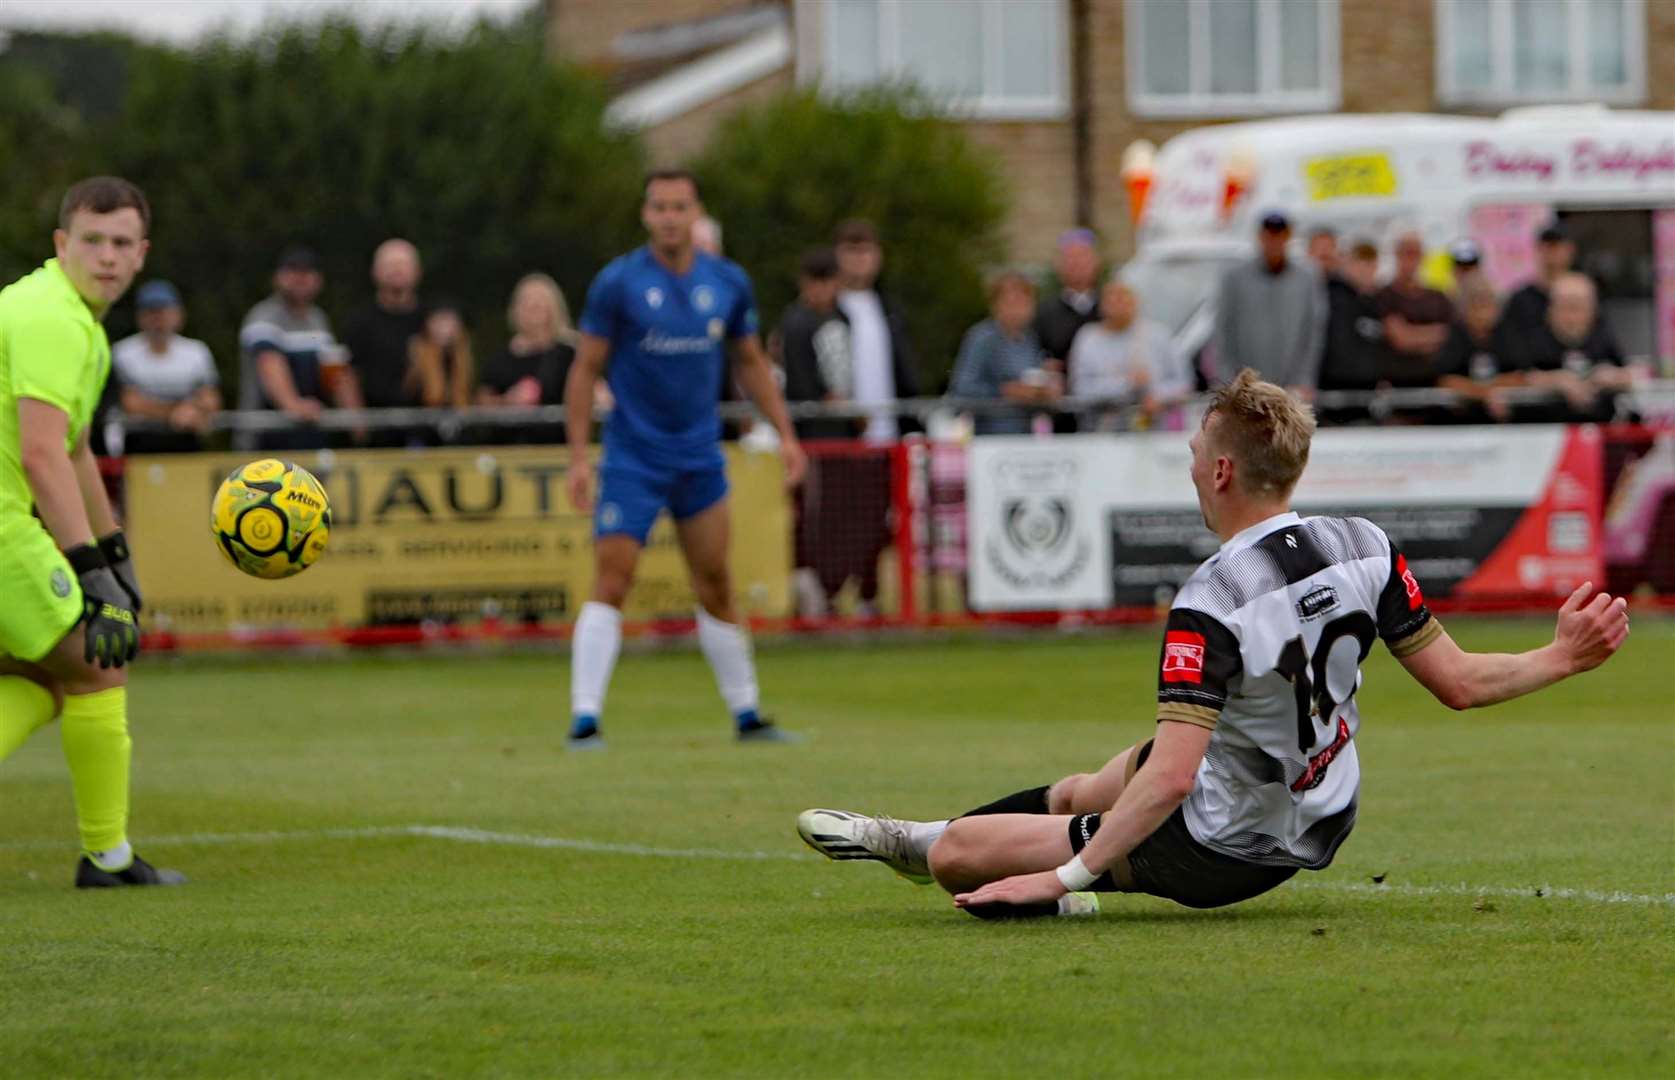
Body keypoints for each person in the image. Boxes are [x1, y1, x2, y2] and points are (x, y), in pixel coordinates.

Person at [798, 369, 1631, 919]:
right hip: (1323, 803)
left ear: (1225, 473)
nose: (1192, 468)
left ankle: (926, 843)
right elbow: (1456, 681)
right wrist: (1559, 656)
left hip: (1226, 842)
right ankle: (936, 832)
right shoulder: (1365, 544)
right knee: (1084, 786)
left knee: (962, 860)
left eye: (1197, 454)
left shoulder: (1211, 601)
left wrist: (1060, 881)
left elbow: (1173, 778)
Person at [562, 169, 806, 747]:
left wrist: (788, 435)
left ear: (695, 214)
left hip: (698, 457)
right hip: (632, 457)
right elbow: (585, 369)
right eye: (660, 208)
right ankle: (585, 717)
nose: (670, 217)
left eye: (680, 207)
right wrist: (578, 455)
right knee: (614, 578)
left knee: (716, 579)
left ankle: (747, 714)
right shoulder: (618, 283)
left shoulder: (727, 281)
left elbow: (749, 363)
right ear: (646, 215)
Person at [0, 177, 185, 888]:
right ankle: (106, 857)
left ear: (141, 254)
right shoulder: (54, 319)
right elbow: (42, 452)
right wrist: (90, 573)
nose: (105, 256)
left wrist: (113, 553)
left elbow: (75, 451)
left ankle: (106, 857)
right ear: (61, 244)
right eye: (91, 241)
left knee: (38, 678)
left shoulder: (72, 318)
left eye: (120, 243)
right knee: (97, 663)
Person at [237, 245, 360, 451]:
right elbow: (269, 362)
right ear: (277, 277)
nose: (300, 279)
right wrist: (293, 405)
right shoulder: (263, 316)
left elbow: (333, 372)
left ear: (318, 280)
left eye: (307, 272)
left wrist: (352, 414)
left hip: (310, 437)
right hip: (266, 439)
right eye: (293, 271)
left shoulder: (318, 319)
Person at [1212, 211, 1325, 396]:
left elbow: (1312, 332)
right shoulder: (1236, 278)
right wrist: (1229, 380)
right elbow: (1223, 330)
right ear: (1260, 237)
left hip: (1291, 387)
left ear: (1288, 237)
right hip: (1245, 387)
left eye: (1279, 235)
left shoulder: (1306, 278)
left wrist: (1304, 380)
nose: (1274, 241)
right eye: (1269, 235)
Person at [110, 279, 222, 453]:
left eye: (164, 311)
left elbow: (211, 399)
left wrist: (196, 410)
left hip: (186, 443)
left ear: (179, 315)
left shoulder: (197, 352)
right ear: (140, 317)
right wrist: (175, 413)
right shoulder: (123, 353)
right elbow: (130, 403)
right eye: (151, 312)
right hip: (138, 446)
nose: (158, 319)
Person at [1515, 272, 1644, 423]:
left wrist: (1612, 376)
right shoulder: (1534, 339)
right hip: (1548, 431)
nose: (1572, 316)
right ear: (1551, 310)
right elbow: (1519, 377)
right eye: (1566, 306)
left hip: (1599, 427)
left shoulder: (1602, 337)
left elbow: (1632, 371)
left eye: (1579, 307)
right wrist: (1556, 380)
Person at [834, 219, 919, 444]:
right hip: (844, 436)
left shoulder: (890, 309)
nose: (859, 258)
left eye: (866, 251)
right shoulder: (828, 310)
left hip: (890, 433)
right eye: (851, 251)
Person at [948, 272, 1058, 436]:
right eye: (1011, 302)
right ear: (995, 304)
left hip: (1025, 437)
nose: (1018, 309)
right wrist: (1004, 391)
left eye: (1024, 302)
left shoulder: (1030, 339)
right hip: (990, 440)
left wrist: (1044, 391)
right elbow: (962, 389)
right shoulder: (981, 338)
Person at [1066, 279, 1184, 431]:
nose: (1119, 303)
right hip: (1100, 431)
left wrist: (1159, 396)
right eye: (1112, 299)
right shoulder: (1088, 338)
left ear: (1136, 302)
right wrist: (1125, 384)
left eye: (1124, 297)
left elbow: (1182, 381)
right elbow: (1080, 388)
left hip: (1152, 429)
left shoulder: (1159, 335)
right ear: (1102, 305)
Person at [1375, 229, 1456, 391]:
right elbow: (1401, 339)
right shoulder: (1384, 295)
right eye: (1406, 253)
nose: (1411, 260)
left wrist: (1414, 334)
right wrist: (1433, 334)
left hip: (1436, 382)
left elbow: (1451, 335)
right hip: (1399, 383)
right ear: (1396, 255)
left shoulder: (1438, 296)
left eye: (1415, 254)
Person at [1316, 239, 1384, 424]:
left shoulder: (1371, 304)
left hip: (1364, 399)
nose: (1367, 271)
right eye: (1362, 264)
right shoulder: (1330, 298)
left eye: (1371, 265)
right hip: (1334, 400)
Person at [1435, 277, 1520, 423]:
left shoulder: (1507, 334)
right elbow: (1446, 380)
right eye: (1477, 303)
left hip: (1503, 422)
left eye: (1487, 303)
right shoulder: (1455, 335)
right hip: (1459, 421)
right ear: (1465, 308)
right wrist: (1485, 394)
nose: (1483, 311)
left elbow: (1519, 376)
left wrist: (1488, 389)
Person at [1499, 222, 1576, 366]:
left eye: (1557, 246)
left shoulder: (1584, 297)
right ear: (1538, 249)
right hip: (1533, 379)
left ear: (1570, 250)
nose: (1552, 252)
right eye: (1547, 246)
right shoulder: (1520, 299)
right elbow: (1508, 349)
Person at [1033, 228, 1102, 368]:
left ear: (1096, 263)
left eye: (1083, 257)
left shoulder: (1108, 309)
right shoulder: (1043, 312)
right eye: (1070, 258)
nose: (1077, 264)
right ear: (1058, 266)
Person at [406, 300, 474, 411]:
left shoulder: (462, 360)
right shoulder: (415, 357)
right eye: (439, 321)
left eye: (449, 321)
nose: (444, 328)